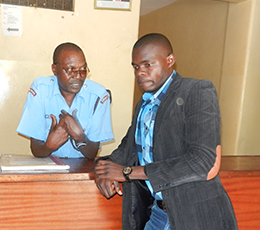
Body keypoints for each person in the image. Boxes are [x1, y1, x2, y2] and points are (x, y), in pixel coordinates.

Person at [95, 33, 238, 230]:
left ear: (170, 61)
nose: (140, 73)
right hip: (158, 214)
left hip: (194, 217)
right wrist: (106, 167)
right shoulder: (144, 104)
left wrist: (128, 172)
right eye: (136, 67)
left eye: (148, 65)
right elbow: (127, 147)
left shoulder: (195, 91)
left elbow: (203, 161)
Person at [17, 42, 114, 159]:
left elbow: (92, 154)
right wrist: (49, 146)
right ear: (54, 69)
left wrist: (80, 137)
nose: (78, 76)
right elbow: (36, 150)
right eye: (70, 70)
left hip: (82, 168)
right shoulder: (40, 89)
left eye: (83, 70)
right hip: (49, 166)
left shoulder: (98, 95)